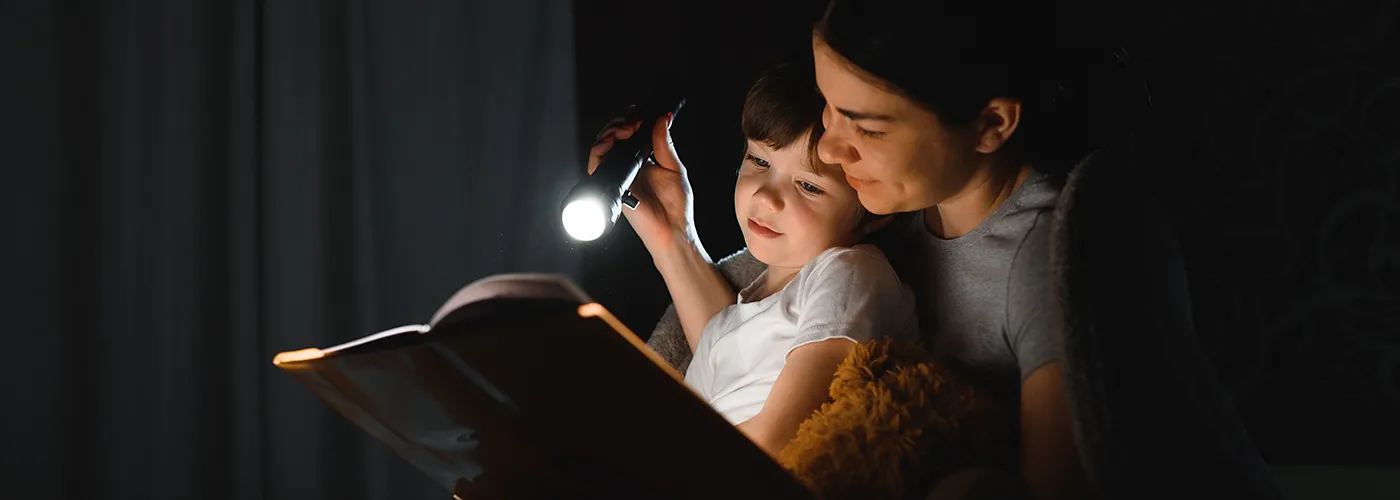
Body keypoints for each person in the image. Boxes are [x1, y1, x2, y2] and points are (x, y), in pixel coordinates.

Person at [592, 0, 1141, 498]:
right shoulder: (891, 211)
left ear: (991, 123)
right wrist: (671, 235)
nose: (828, 148)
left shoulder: (1049, 254)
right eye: (830, 108)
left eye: (867, 128)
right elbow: (748, 350)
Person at [589, 56, 920, 459]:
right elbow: (707, 375)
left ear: (872, 208)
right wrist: (659, 225)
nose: (765, 196)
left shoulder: (849, 273)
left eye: (809, 186)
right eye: (759, 161)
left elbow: (781, 437)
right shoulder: (744, 310)